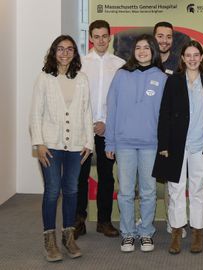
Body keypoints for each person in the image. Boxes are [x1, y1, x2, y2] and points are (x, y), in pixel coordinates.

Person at [30, 35, 93, 261]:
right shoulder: (44, 78)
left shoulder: (83, 79)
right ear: (53, 52)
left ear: (75, 53)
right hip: (50, 146)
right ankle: (50, 241)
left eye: (69, 49)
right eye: (60, 49)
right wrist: (39, 143)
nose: (64, 53)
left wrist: (89, 142)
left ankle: (69, 237)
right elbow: (35, 113)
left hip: (76, 145)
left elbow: (87, 112)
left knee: (72, 191)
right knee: (52, 190)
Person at [152, 40, 203, 254]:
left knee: (198, 191)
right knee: (176, 190)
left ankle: (198, 233)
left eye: (195, 55)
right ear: (182, 58)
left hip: (201, 146)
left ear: (201, 57)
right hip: (176, 147)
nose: (192, 59)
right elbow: (164, 113)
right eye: (188, 55)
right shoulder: (173, 82)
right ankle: (176, 233)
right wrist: (163, 144)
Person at [105, 34, 167, 253]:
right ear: (133, 51)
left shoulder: (161, 77)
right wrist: (109, 142)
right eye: (138, 48)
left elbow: (164, 116)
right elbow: (111, 109)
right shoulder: (121, 75)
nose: (142, 51)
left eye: (147, 48)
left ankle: (146, 232)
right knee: (126, 192)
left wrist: (164, 145)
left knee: (149, 192)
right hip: (124, 143)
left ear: (153, 51)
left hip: (151, 144)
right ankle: (128, 233)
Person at [74, 19, 125, 240]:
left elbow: (122, 101)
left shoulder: (121, 64)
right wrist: (89, 124)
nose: (101, 40)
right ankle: (78, 221)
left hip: (108, 129)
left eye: (105, 36)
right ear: (91, 38)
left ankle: (104, 221)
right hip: (83, 130)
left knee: (106, 176)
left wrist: (106, 123)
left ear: (110, 37)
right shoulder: (81, 64)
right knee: (80, 176)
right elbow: (77, 99)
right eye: (97, 36)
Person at [153, 20, 188, 239]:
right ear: (154, 37)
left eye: (168, 36)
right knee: (143, 178)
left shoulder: (180, 65)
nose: (164, 40)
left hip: (172, 130)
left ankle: (172, 221)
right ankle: (142, 220)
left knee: (171, 179)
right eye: (160, 36)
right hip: (147, 128)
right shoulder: (145, 60)